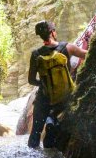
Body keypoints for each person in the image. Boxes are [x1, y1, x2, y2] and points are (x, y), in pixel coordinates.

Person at [27, 20, 87, 148]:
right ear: (52, 32)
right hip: (64, 98)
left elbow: (31, 80)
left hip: (44, 99)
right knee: (56, 124)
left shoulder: (36, 55)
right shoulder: (68, 48)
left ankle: (33, 154)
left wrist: (44, 84)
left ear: (40, 36)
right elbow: (86, 54)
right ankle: (52, 121)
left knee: (35, 133)